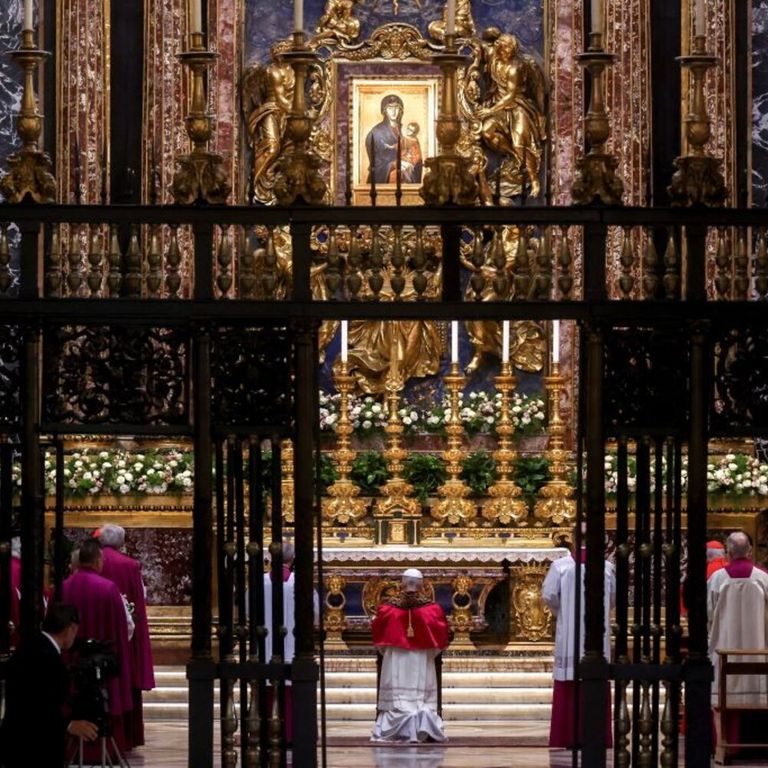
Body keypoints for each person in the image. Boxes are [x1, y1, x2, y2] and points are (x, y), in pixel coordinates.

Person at [0, 602, 98, 768]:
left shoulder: (31, 645)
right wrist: (69, 725)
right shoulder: (49, 659)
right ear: (70, 629)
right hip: (35, 750)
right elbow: (36, 706)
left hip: (15, 743)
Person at [62, 539, 134, 758]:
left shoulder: (63, 587)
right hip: (101, 671)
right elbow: (120, 633)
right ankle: (104, 751)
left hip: (70, 666)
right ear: (97, 561)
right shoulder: (108, 588)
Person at [541, 542, 616, 748]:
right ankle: (597, 736)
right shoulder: (607, 568)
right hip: (597, 633)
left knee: (570, 679)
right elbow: (612, 598)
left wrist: (563, 612)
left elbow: (549, 595)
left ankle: (569, 735)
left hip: (570, 633)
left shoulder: (561, 566)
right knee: (596, 678)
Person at [370, 568, 450, 743]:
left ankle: (395, 720)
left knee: (397, 689)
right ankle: (422, 720)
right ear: (422, 586)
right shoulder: (432, 610)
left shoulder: (388, 609)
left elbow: (378, 635)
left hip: (395, 658)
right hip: (422, 657)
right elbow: (441, 635)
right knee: (420, 693)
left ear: (402, 583)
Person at [707, 530, 768, 750]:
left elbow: (709, 613)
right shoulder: (763, 579)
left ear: (729, 552)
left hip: (724, 648)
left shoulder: (717, 579)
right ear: (750, 552)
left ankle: (722, 746)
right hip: (758, 651)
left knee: (722, 694)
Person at [97, 523, 155, 748]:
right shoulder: (130, 565)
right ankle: (127, 738)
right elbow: (138, 605)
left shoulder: (92, 560)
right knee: (124, 677)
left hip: (97, 632)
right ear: (122, 542)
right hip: (125, 637)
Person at [476, 29, 546, 199]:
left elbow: (510, 95)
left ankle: (534, 179)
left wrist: (489, 110)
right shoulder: (495, 60)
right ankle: (513, 156)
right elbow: (483, 45)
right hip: (498, 108)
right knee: (486, 131)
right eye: (503, 49)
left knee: (520, 141)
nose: (506, 52)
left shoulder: (516, 67)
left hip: (517, 106)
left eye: (508, 49)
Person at [263, 539, 319, 745]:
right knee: (293, 689)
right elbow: (314, 617)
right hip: (295, 647)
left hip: (266, 647)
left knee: (267, 687)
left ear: (269, 557)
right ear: (293, 558)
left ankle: (267, 733)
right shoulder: (300, 583)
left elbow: (247, 612)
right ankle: (294, 734)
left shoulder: (259, 582)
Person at [365, 94, 423, 185]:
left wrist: (413, 161)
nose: (393, 112)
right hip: (385, 182)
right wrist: (393, 164)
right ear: (385, 111)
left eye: (396, 108)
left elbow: (414, 154)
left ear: (400, 111)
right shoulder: (376, 133)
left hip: (405, 178)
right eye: (390, 108)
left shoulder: (404, 130)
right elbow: (375, 164)